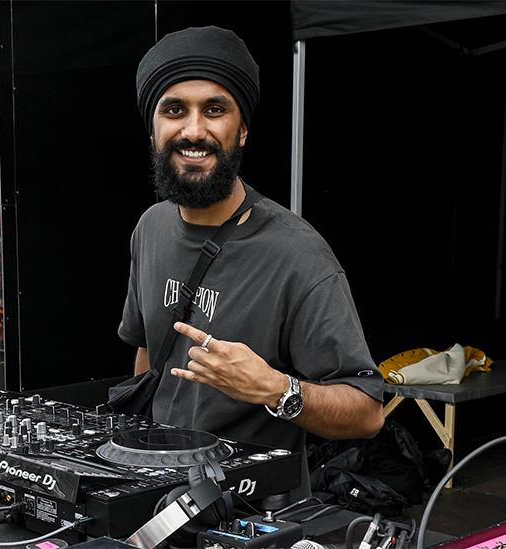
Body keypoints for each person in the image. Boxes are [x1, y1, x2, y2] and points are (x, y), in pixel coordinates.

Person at [118, 26, 384, 496]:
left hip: (253, 514)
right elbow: (145, 352)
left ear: (241, 130)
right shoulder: (151, 228)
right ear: (153, 127)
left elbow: (367, 413)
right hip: (155, 495)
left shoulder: (297, 254)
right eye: (174, 109)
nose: (194, 130)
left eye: (215, 110)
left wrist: (277, 390)